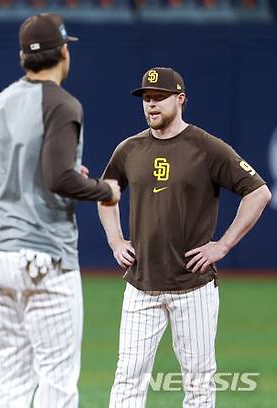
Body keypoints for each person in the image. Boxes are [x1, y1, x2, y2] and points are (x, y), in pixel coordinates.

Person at [0, 13, 120, 408]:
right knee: (57, 379)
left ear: (23, 56)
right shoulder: (62, 103)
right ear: (63, 52)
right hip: (42, 253)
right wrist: (106, 189)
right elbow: (59, 180)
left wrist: (42, 176)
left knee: (14, 377)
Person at [99, 67, 271, 408]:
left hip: (193, 286)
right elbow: (107, 193)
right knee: (128, 377)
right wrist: (116, 241)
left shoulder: (206, 147)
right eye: (146, 98)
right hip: (141, 283)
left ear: (180, 99)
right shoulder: (129, 148)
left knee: (198, 381)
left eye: (159, 97)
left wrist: (223, 244)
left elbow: (258, 192)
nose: (151, 105)